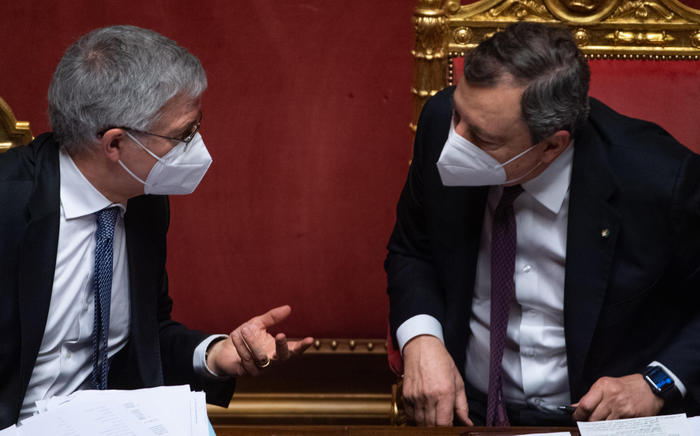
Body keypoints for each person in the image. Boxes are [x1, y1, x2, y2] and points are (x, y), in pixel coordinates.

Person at [385, 22, 700, 427]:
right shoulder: (437, 124)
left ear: (553, 145)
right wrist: (421, 339)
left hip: (603, 422)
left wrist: (657, 382)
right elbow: (413, 249)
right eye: (457, 116)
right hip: (468, 413)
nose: (455, 142)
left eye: (481, 138)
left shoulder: (659, 179)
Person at [0, 25, 313, 429]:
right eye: (184, 134)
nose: (197, 146)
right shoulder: (9, 205)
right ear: (115, 144)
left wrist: (215, 354)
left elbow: (144, 336)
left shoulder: (143, 200)